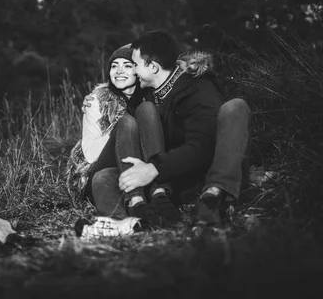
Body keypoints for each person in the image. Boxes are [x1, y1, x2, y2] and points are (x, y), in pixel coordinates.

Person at [78, 31, 251, 228]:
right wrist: (97, 99)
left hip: (191, 172)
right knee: (103, 178)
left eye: (134, 65)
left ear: (153, 67)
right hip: (168, 175)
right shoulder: (148, 93)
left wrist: (154, 169)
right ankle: (128, 224)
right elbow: (125, 107)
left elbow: (202, 147)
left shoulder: (200, 90)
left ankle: (211, 200)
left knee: (236, 106)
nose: (132, 71)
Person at [68, 44, 149, 220]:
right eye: (114, 65)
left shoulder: (150, 99)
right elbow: (90, 153)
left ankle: (127, 221)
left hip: (132, 172)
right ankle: (135, 199)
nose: (119, 71)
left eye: (127, 65)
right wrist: (120, 131)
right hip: (99, 165)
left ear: (139, 70)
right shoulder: (97, 101)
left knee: (104, 179)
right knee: (126, 122)